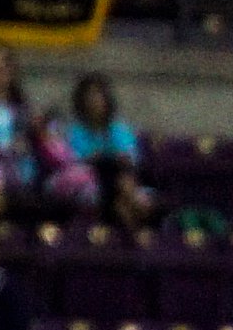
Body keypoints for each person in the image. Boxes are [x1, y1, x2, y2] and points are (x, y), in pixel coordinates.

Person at [39, 76, 150, 229]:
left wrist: (119, 157)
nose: (94, 102)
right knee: (115, 191)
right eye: (90, 97)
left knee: (122, 179)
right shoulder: (74, 131)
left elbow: (131, 157)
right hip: (92, 179)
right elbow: (72, 160)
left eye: (98, 96)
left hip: (117, 174)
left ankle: (129, 228)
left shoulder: (119, 128)